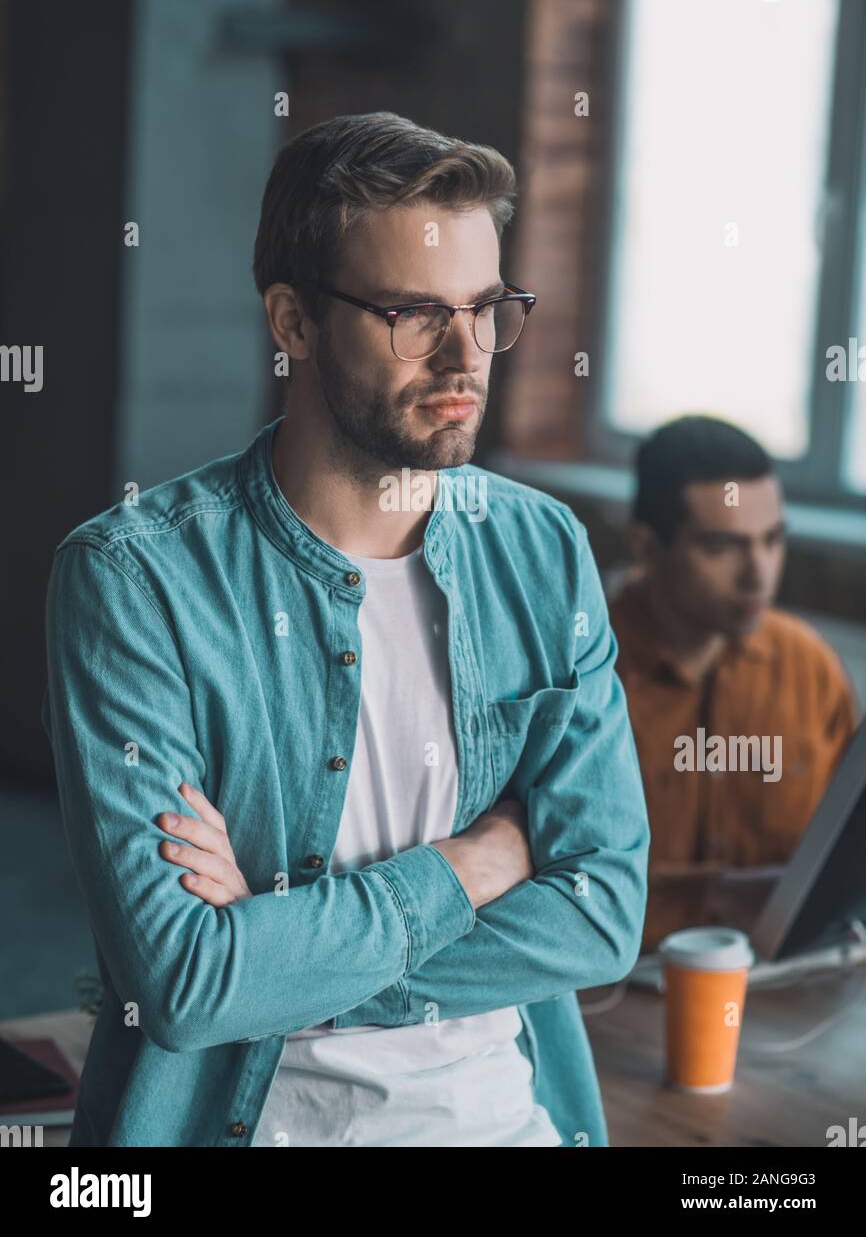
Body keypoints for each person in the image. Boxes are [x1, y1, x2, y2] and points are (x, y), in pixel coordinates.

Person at [42, 111, 649, 1148]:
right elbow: (190, 982)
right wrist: (474, 863)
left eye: (486, 308)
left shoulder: (541, 551)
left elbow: (600, 916)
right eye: (415, 313)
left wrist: (277, 961)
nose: (466, 355)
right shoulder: (134, 577)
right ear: (291, 321)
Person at [608, 415, 860, 952]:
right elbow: (546, 884)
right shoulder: (581, 676)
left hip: (789, 986)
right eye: (724, 547)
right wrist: (715, 896)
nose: (759, 574)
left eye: (772, 541)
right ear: (647, 548)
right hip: (614, 991)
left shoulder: (807, 665)